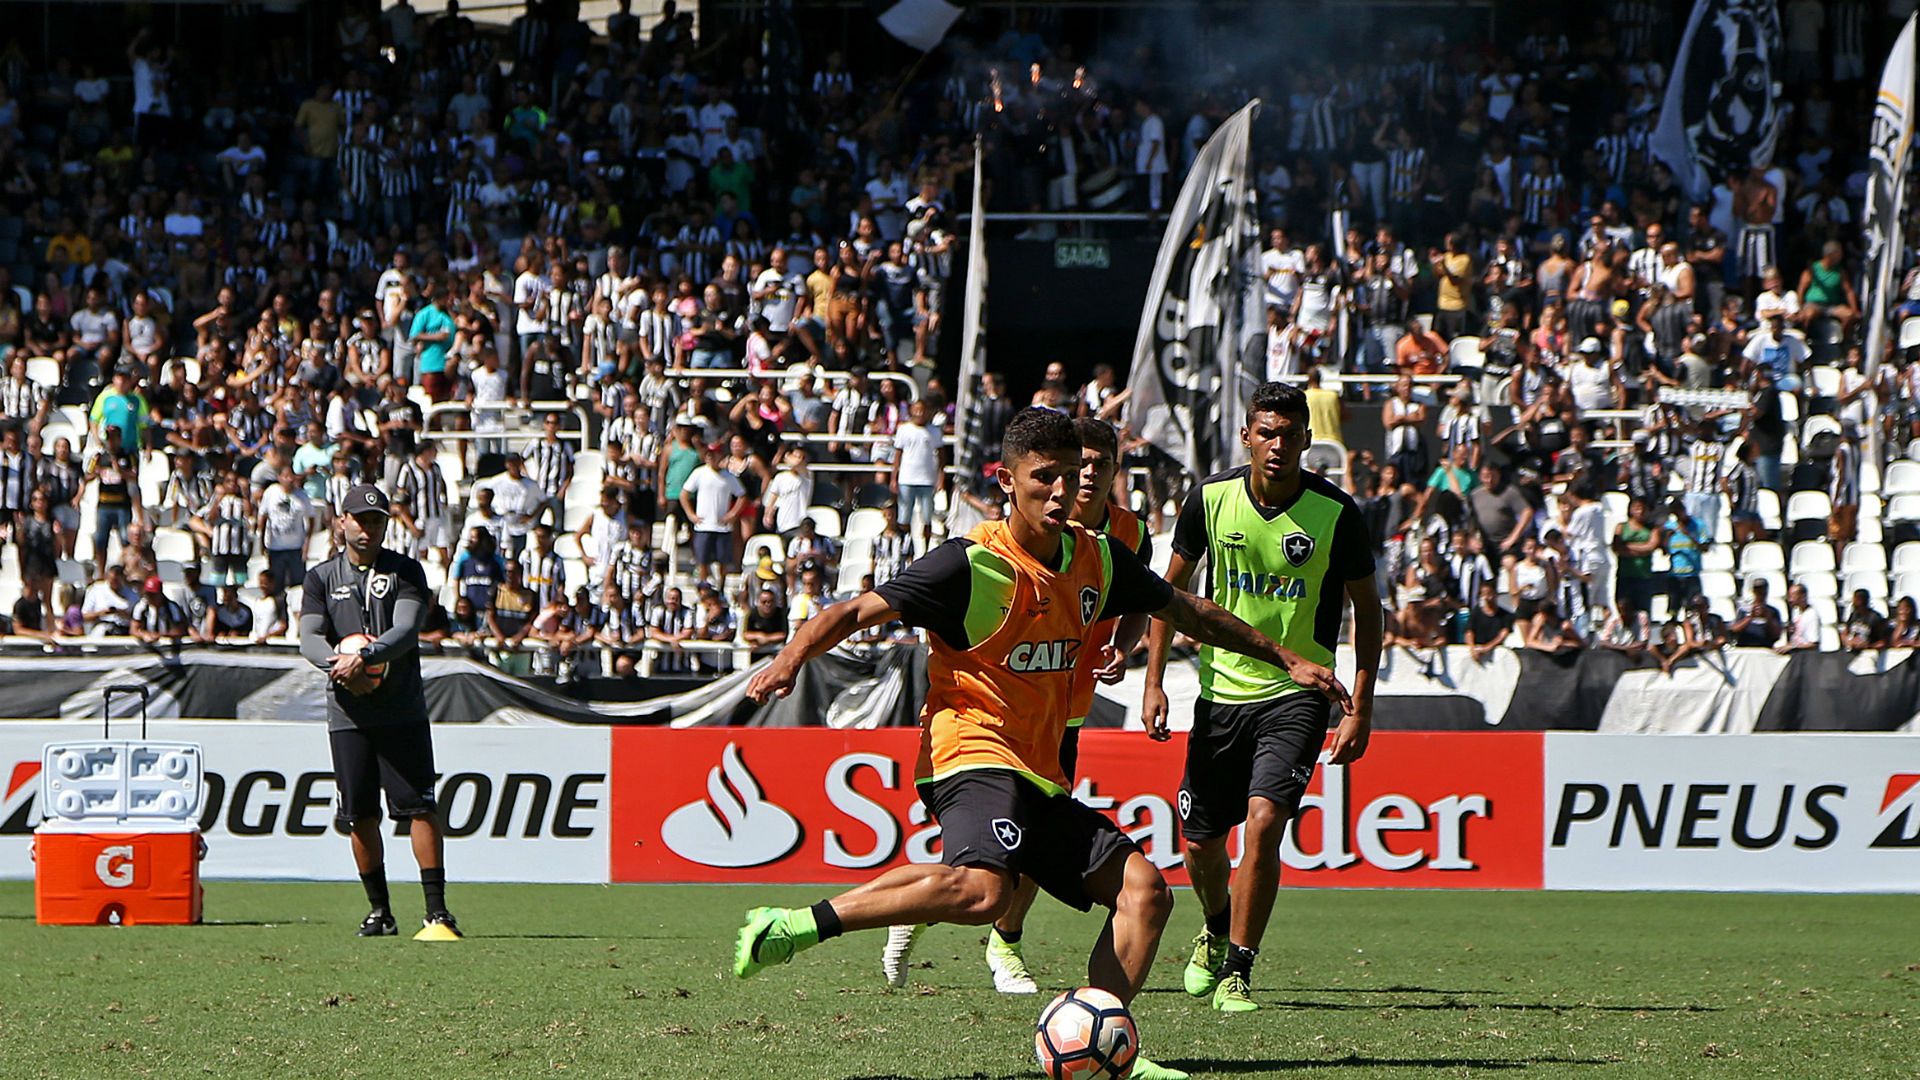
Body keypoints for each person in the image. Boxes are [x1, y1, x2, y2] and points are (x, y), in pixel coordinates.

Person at [734, 409, 1349, 1080]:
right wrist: (792, 657)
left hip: (1039, 768)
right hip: (967, 749)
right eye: (1044, 478)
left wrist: (1284, 656)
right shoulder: (970, 564)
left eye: (1074, 476)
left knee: (1146, 893)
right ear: (1006, 480)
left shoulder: (1098, 556)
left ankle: (1103, 1036)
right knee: (982, 893)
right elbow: (853, 611)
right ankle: (793, 927)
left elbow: (1188, 610)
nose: (1062, 491)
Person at [883, 417, 1153, 994]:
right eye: (1067, 470)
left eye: (1094, 468)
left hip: (1067, 708)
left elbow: (1147, 600)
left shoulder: (1125, 535)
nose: (1081, 482)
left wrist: (1125, 648)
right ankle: (1003, 946)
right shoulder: (1013, 536)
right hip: (994, 716)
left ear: (1108, 472)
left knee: (1028, 847)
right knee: (1004, 859)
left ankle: (977, 929)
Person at [1142, 381, 1381, 1014]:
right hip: (1221, 694)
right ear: (1247, 437)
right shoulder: (1211, 500)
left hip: (1299, 694)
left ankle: (1239, 971)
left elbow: (1368, 611)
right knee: (1199, 844)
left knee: (1266, 821)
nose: (1276, 446)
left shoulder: (1336, 513)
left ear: (1307, 440)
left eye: (1289, 435)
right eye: (1265, 433)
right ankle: (1216, 927)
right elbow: (1171, 594)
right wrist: (1154, 680)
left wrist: (1359, 707)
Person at [298, 484, 458, 940]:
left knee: (420, 808)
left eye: (376, 521)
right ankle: (380, 911)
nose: (368, 528)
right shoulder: (321, 578)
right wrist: (337, 662)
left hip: (401, 710)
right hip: (348, 714)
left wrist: (364, 657)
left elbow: (407, 629)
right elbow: (309, 637)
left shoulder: (405, 570)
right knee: (359, 814)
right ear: (341, 522)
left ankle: (436, 911)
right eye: (360, 519)